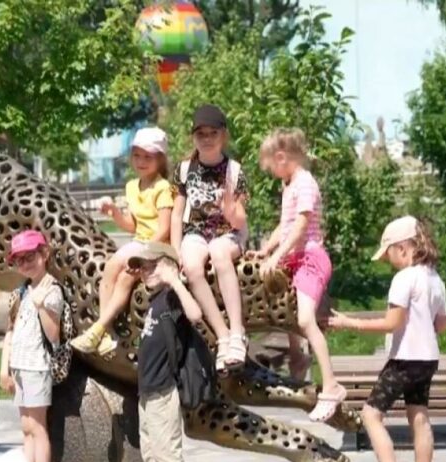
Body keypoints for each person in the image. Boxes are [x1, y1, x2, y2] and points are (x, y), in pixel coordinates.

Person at [329, 216, 446, 462]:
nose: (388, 260)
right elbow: (442, 324)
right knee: (419, 418)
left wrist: (349, 322)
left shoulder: (404, 278)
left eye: (390, 253)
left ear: (404, 247)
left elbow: (391, 322)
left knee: (371, 415)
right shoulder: (435, 278)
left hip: (405, 359)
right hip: (428, 359)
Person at [254, 127, 344, 421]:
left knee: (305, 319)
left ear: (281, 157)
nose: (270, 172)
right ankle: (298, 360)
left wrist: (278, 256)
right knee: (290, 318)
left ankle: (331, 386)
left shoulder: (305, 183)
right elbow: (284, 224)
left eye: (270, 166)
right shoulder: (289, 184)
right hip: (295, 261)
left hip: (310, 259)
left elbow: (301, 227)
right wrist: (267, 250)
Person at [71, 127, 174, 357]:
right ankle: (103, 332)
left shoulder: (163, 188)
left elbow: (164, 228)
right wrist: (115, 212)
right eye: (137, 155)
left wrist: (143, 254)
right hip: (140, 243)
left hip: (157, 247)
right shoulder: (131, 187)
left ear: (160, 159)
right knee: (113, 272)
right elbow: (133, 225)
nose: (141, 161)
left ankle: (98, 330)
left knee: (123, 272)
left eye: (148, 156)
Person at [171, 104, 250, 372]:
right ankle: (223, 336)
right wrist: (174, 250)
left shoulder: (234, 171)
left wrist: (230, 209)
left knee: (218, 252)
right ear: (193, 136)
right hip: (195, 232)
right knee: (192, 266)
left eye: (212, 133)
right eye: (200, 133)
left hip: (228, 232)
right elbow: (177, 211)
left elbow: (240, 219)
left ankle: (238, 333)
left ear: (223, 136)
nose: (206, 139)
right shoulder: (184, 169)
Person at [127, 241, 202, 462]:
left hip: (162, 391)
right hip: (147, 394)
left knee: (169, 461)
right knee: (154, 461)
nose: (145, 271)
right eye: (142, 268)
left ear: (169, 266)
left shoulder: (172, 297)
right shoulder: (155, 300)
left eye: (152, 266)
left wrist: (175, 280)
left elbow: (195, 315)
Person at [0, 229, 62, 462]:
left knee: (37, 428)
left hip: (37, 366)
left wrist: (41, 307)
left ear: (44, 254)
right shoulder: (21, 291)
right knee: (26, 428)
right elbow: (10, 333)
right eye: (19, 259)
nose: (25, 263)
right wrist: (5, 368)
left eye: (30, 256)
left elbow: (54, 334)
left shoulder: (50, 289)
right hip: (21, 368)